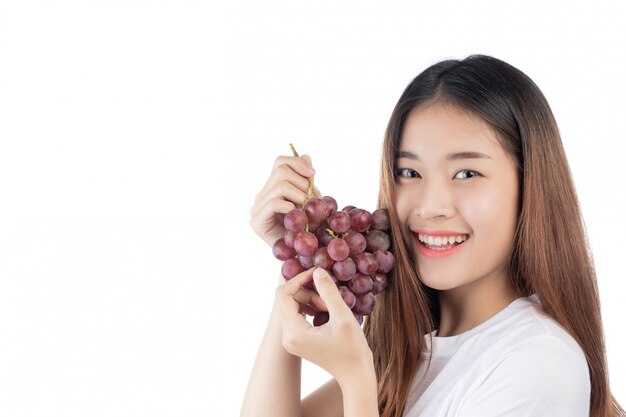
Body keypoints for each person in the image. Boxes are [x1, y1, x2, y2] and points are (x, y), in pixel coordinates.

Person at [240, 54, 624, 417]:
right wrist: (299, 258)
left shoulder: (537, 366)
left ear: (531, 186)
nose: (431, 206)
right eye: (409, 172)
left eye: (466, 174)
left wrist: (356, 378)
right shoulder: (418, 351)